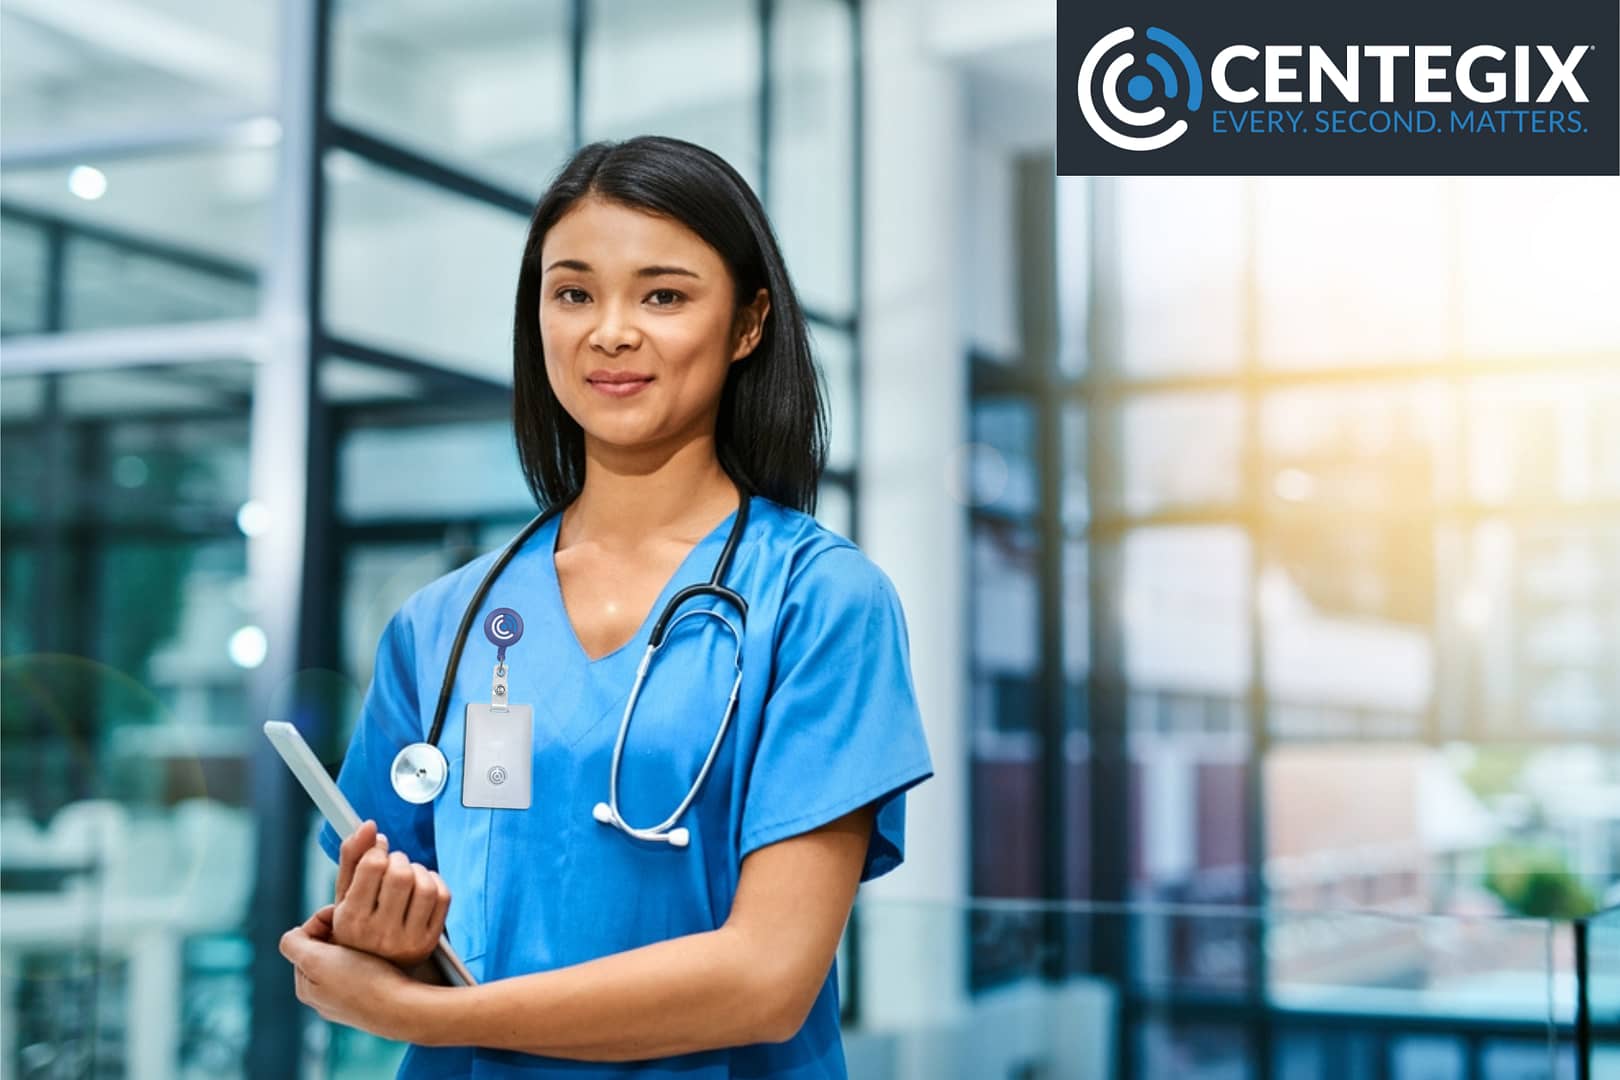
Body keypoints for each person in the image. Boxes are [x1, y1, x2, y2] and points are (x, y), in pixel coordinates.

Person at [277, 134, 934, 1078]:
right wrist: (378, 941)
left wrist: (430, 1019)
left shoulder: (819, 602)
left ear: (748, 323)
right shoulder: (441, 624)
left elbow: (768, 978)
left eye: (662, 295)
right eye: (573, 292)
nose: (610, 331)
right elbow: (408, 928)